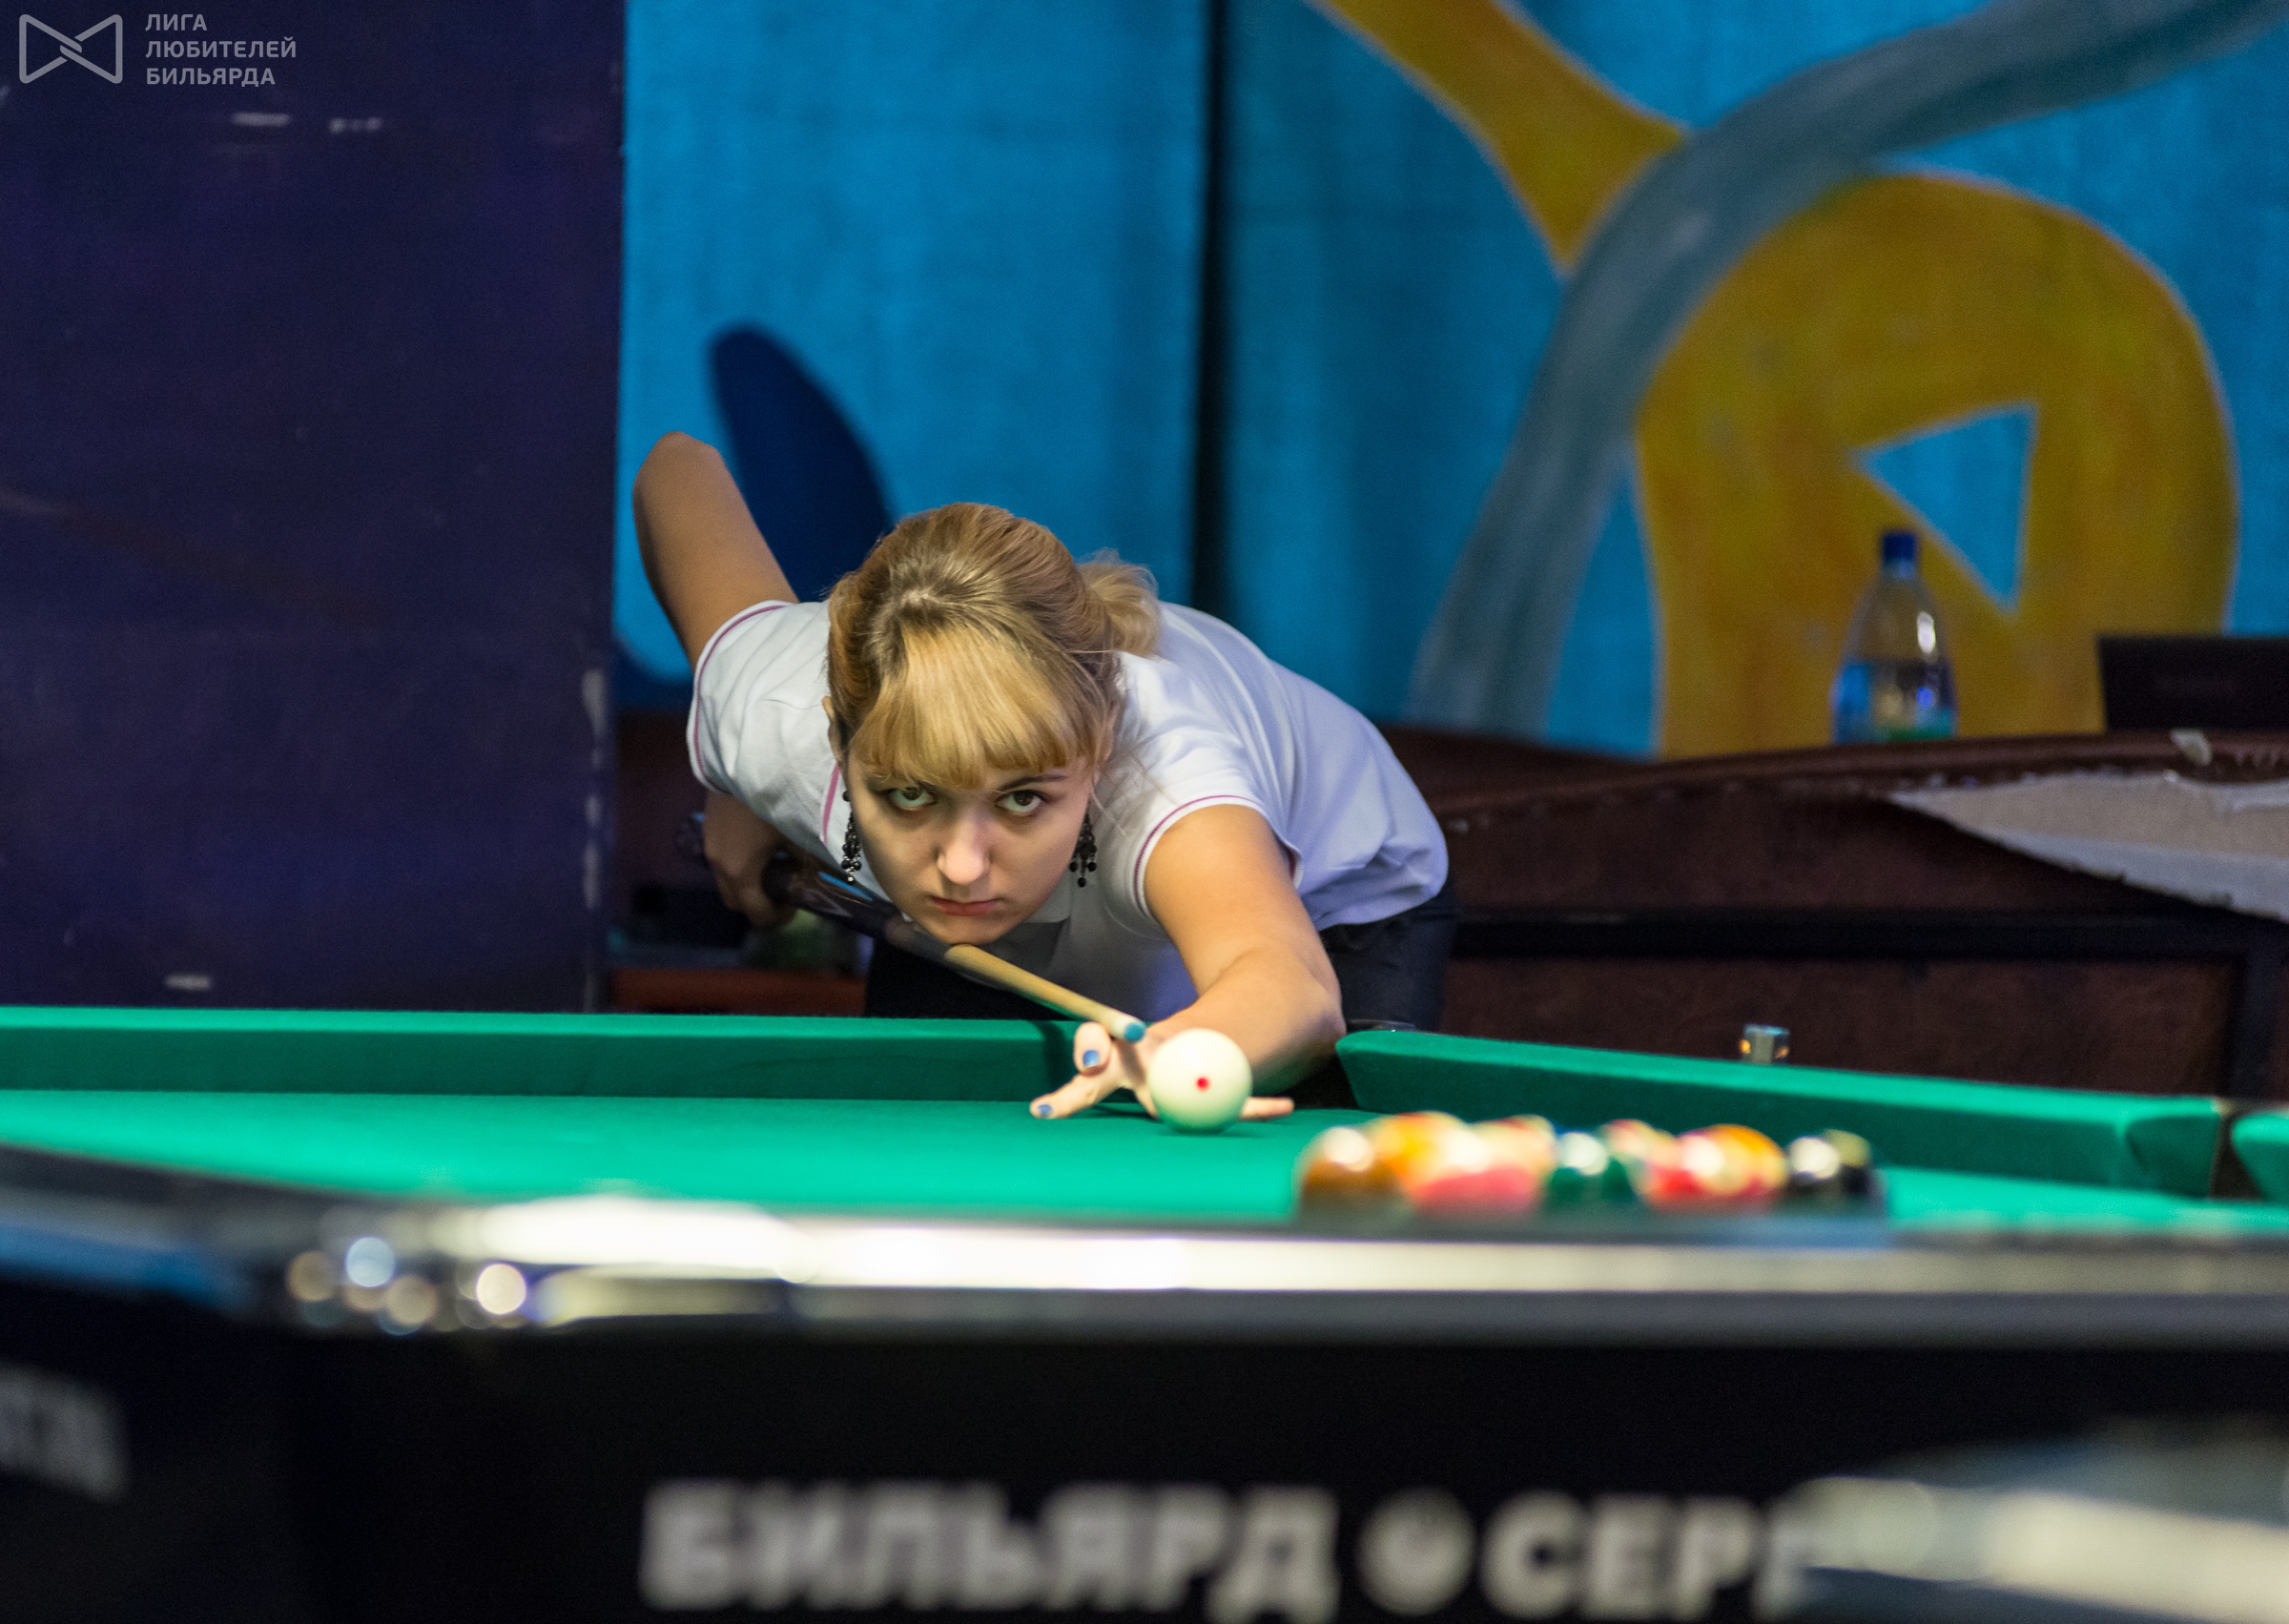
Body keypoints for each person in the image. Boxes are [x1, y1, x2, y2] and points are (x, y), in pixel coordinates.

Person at [635, 431, 1453, 1122]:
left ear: (1098, 752)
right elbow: (675, 466)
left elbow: (1293, 986)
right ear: (836, 744)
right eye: (909, 795)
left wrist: (1177, 1050)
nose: (962, 866)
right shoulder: (774, 712)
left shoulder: (1163, 778)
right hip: (1052, 906)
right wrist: (745, 784)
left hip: (1339, 904)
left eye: (1022, 797)